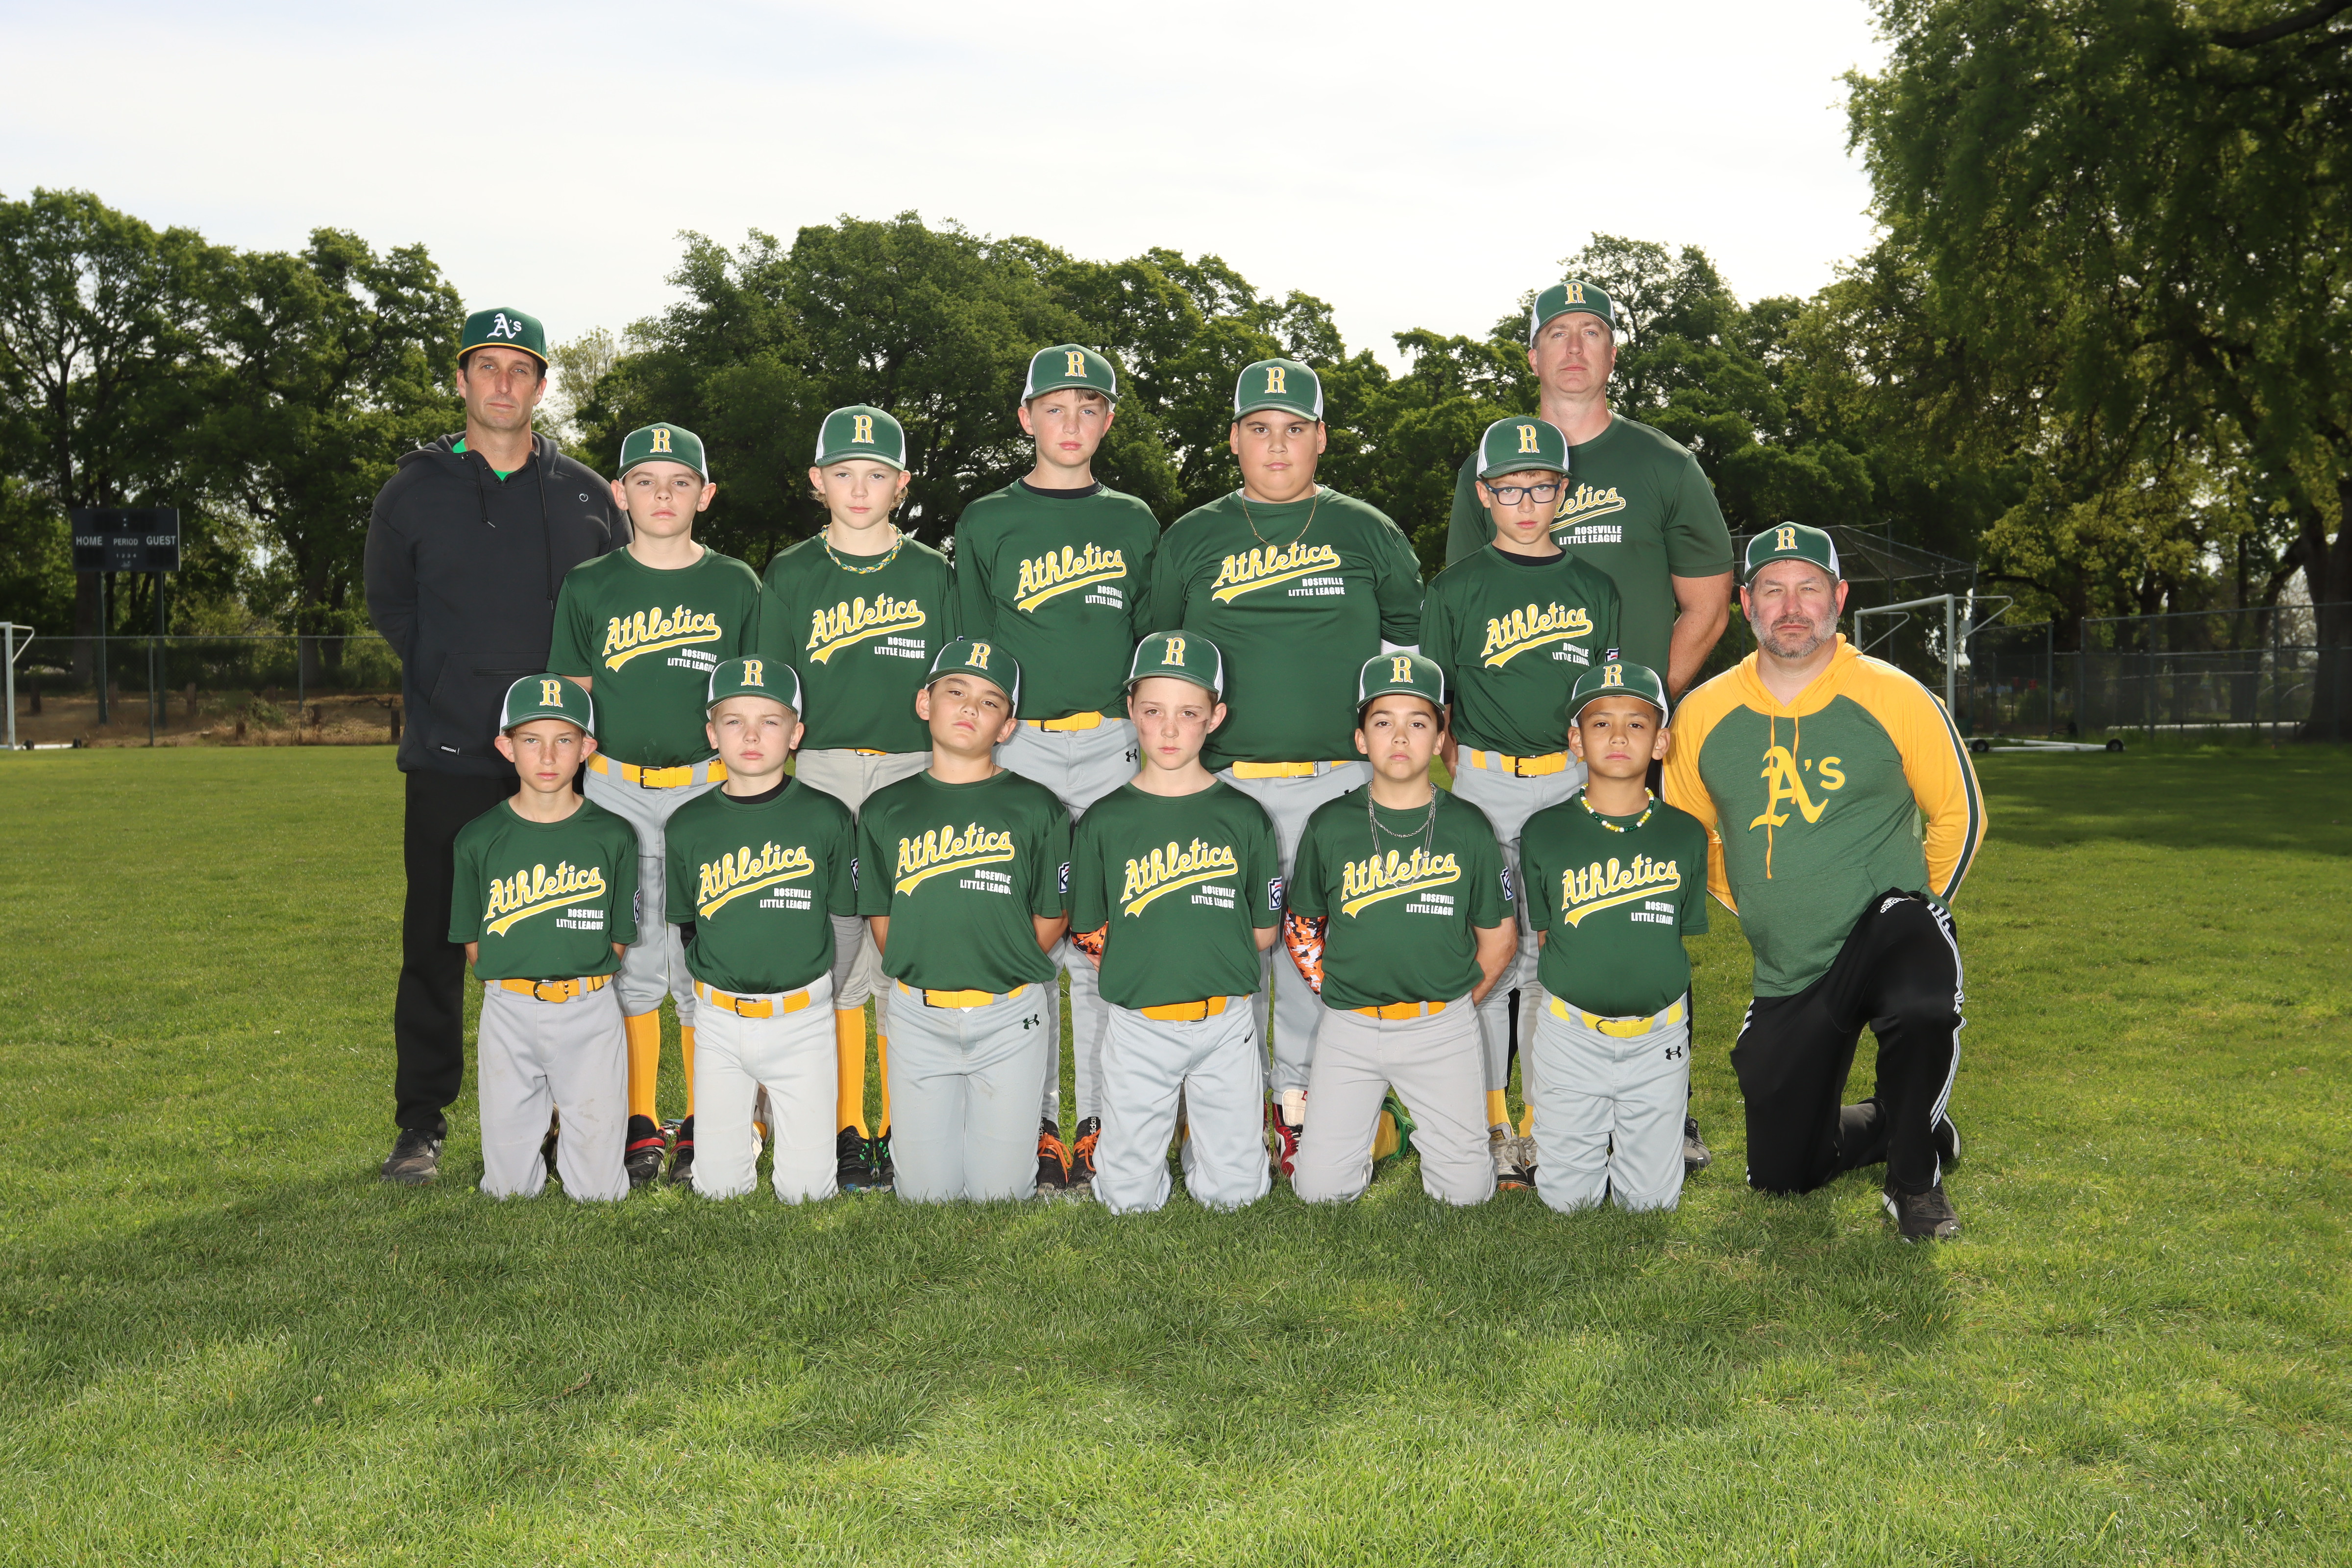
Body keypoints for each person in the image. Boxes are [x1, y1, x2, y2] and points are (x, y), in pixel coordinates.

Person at [1441, 280, 1738, 1174]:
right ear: (1533, 354)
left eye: (1593, 333)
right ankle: (1506, 1123)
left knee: (1627, 923)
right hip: (1498, 760)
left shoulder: (1663, 465)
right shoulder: (1488, 465)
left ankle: (1662, 1110)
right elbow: (1463, 619)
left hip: (1605, 761)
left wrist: (1633, 717)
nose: (1575, 349)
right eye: (1558, 333)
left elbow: (1708, 603)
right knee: (1499, 941)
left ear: (1614, 352)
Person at [366, 307, 628, 1186]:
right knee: (436, 943)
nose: (504, 384)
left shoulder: (585, 494)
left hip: (561, 761)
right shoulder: (412, 492)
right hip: (451, 752)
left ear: (543, 385)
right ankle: (421, 1124)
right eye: (488, 367)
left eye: (522, 369)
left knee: (565, 935)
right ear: (462, 379)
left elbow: (615, 609)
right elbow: (392, 607)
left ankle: (561, 1123)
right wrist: (452, 684)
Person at [1664, 523, 1984, 1240]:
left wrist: (1920, 909)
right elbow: (1684, 837)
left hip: (1886, 930)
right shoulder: (1704, 712)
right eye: (1773, 590)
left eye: (1809, 588)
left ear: (1838, 598)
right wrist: (1753, 900)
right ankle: (1902, 1123)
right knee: (1783, 1173)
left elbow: (1959, 814)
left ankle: (1915, 1182)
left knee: (1921, 996)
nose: (1791, 607)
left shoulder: (1894, 694)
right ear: (1746, 603)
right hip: (1791, 965)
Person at [1145, 359, 1423, 1173]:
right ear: (1234, 438)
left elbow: (1408, 658)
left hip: (1339, 782)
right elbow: (1161, 662)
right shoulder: (1193, 536)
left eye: (1294, 428)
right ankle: (1223, 1115)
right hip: (1220, 784)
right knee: (1221, 951)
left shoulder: (1367, 531)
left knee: (1317, 957)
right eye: (1260, 428)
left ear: (1321, 438)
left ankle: (1305, 1111)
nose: (1277, 444)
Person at [953, 344, 1161, 1195]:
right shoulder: (986, 520)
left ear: (1108, 421)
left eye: (1089, 407)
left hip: (1112, 740)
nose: (1071, 423)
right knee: (1026, 934)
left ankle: (1104, 1119)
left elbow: (1152, 648)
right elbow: (971, 649)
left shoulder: (1134, 521)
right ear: (1025, 417)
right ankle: (1033, 1121)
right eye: (1055, 407)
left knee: (1105, 938)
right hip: (1021, 743)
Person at [548, 422, 761, 1188]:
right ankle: (639, 1117)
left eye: (680, 482)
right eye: (645, 481)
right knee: (634, 958)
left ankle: (713, 1116)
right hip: (615, 785)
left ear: (706, 494)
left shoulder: (736, 584)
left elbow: (755, 702)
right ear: (619, 493)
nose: (662, 496)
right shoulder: (590, 584)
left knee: (712, 955)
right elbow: (573, 699)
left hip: (710, 786)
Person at [757, 404, 958, 1195]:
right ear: (818, 481)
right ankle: (847, 1126)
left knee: (902, 952)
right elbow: (772, 695)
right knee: (837, 954)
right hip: (823, 770)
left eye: (877, 474)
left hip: (913, 770)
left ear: (903, 484)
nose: (861, 488)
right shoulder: (792, 573)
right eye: (844, 473)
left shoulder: (933, 573)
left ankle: (903, 1124)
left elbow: (955, 684)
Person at [1421, 416, 1621, 1188]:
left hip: (1567, 782)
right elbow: (1435, 706)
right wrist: (1461, 778)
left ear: (1563, 491)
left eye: (1542, 487)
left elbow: (1605, 702)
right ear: (1485, 494)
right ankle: (1490, 1122)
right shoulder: (1457, 587)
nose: (1527, 503)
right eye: (1510, 489)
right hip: (1486, 783)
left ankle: (1542, 1123)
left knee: (1548, 957)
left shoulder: (1594, 589)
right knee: (1488, 955)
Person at [1283, 654, 1514, 1206]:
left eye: (1419, 721)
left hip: (1442, 1026)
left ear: (1440, 739)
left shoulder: (1468, 826)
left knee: (1466, 1194)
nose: (1401, 736)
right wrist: (1339, 990)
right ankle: (1388, 1128)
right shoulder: (1330, 823)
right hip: (1351, 1028)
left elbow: (1500, 940)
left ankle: (1407, 1124)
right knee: (1319, 1192)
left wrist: (1450, 1009)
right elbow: (1301, 924)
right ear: (1361, 738)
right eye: (1383, 721)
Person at [1069, 633, 1282, 1215]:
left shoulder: (1245, 816)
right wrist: (1149, 963)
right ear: (1130, 710)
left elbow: (1264, 932)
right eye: (1153, 711)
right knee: (1127, 1201)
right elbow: (1088, 929)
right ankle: (1167, 1142)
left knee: (1237, 1197)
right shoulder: (1104, 820)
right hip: (1140, 1024)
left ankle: (1200, 1142)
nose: (1169, 729)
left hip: (1226, 1022)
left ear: (1216, 717)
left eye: (1188, 713)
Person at [856, 639, 1072, 1202]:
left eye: (990, 701)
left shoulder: (1038, 807)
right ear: (924, 702)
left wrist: (999, 963)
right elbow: (882, 914)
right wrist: (924, 961)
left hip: (1009, 1014)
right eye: (955, 691)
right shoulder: (884, 808)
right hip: (918, 1013)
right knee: (924, 1194)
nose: (970, 707)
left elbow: (1053, 913)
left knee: (1000, 1193)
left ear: (1007, 727)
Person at [664, 657, 859, 1202]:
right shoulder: (687, 823)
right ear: (712, 734)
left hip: (803, 1017)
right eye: (734, 721)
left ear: (796, 734)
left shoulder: (826, 815)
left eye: (770, 721)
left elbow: (845, 922)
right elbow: (687, 926)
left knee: (807, 1192)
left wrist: (822, 989)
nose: (751, 735)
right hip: (720, 1022)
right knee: (719, 1189)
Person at [1519, 661, 1710, 1213]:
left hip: (1658, 1037)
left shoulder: (1685, 834)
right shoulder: (1544, 831)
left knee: (1650, 1204)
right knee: (1567, 1202)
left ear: (1661, 742)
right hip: (1570, 1036)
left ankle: (1642, 1149)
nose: (1619, 736)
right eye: (1601, 723)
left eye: (1637, 724)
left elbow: (1674, 933)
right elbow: (1550, 933)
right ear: (1576, 740)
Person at [448, 677, 638, 1202]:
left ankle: (573, 1141)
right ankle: (541, 1138)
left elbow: (619, 938)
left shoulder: (614, 834)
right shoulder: (478, 838)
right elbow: (473, 942)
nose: (548, 755)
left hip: (589, 1008)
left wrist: (582, 980)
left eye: (564, 740)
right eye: (531, 740)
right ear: (506, 746)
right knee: (508, 1191)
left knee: (600, 1193)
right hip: (509, 1009)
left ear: (588, 748)